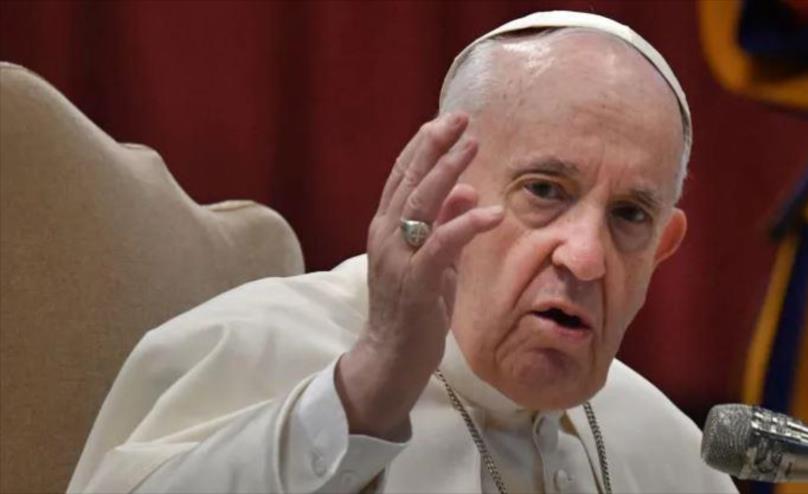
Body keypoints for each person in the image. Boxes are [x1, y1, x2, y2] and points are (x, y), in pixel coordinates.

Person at [68, 11, 738, 494]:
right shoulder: (253, 345)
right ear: (440, 182)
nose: (586, 258)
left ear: (664, 248)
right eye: (544, 190)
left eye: (629, 216)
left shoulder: (669, 448)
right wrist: (366, 392)